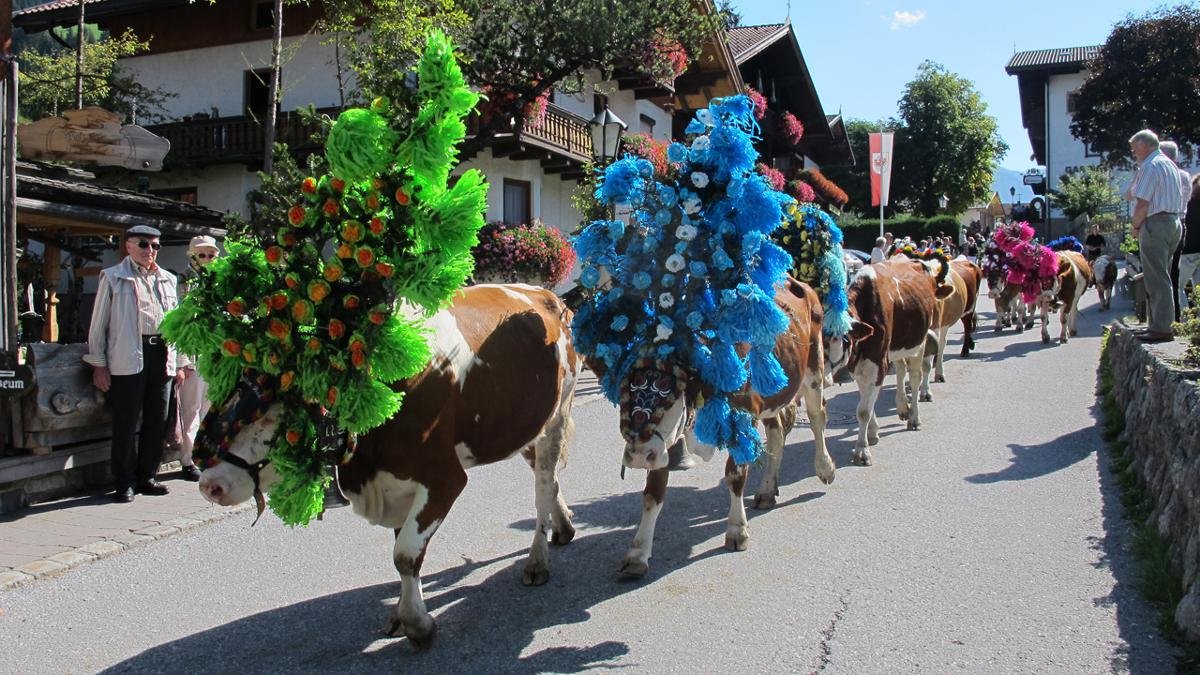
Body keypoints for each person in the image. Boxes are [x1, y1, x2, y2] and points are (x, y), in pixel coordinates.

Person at [84, 225, 184, 502]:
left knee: (158, 420)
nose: (150, 251)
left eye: (155, 246)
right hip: (128, 354)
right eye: (143, 244)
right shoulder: (114, 277)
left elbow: (177, 324)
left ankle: (147, 476)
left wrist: (181, 363)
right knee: (126, 422)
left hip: (162, 353)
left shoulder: (167, 279)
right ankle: (124, 481)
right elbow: (97, 325)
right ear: (128, 246)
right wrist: (99, 364)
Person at [1126, 129, 1184, 343]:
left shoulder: (1150, 166)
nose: (1134, 153)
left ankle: (1160, 328)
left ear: (1144, 145)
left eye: (1134, 149)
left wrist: (1135, 225)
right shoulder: (1169, 164)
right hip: (1173, 222)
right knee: (1164, 276)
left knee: (1155, 278)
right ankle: (1161, 325)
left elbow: (1142, 203)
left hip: (1155, 224)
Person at [173, 235, 220, 481]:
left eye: (211, 255)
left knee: (211, 407)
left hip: (213, 352)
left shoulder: (218, 280)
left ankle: (207, 455)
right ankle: (188, 459)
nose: (207, 259)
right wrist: (183, 360)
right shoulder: (182, 280)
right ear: (192, 255)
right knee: (191, 408)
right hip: (193, 351)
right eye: (202, 255)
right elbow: (179, 321)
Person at [1159, 141, 1193, 321]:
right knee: (1174, 273)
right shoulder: (1185, 176)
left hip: (1164, 223)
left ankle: (1165, 318)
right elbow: (1185, 200)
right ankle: (1176, 317)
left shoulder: (1164, 175)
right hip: (1181, 223)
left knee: (1161, 273)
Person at [1179, 174, 1200, 311]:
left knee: (1176, 286)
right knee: (1198, 291)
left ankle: (1183, 319)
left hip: (1188, 252)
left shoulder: (1188, 205)